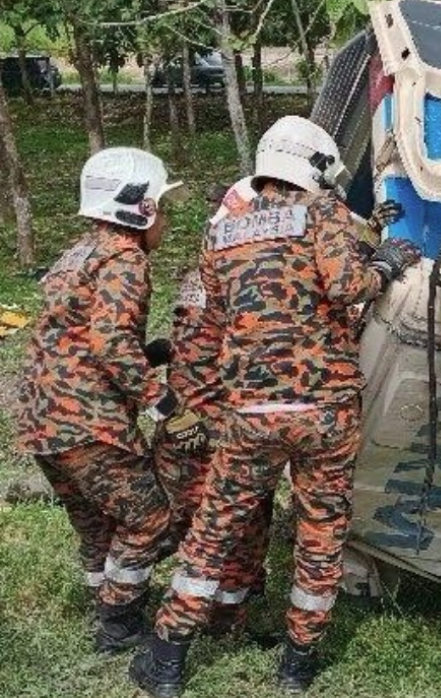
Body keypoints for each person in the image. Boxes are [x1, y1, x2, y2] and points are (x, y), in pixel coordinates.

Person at [130, 116, 419, 697]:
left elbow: (206, 334)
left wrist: (197, 408)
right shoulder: (324, 213)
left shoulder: (223, 234)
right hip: (326, 413)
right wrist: (387, 262)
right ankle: (298, 663)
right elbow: (346, 286)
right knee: (320, 530)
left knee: (214, 530)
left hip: (251, 416)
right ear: (314, 167)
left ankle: (165, 658)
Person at [15, 147, 205, 653]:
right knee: (149, 518)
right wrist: (164, 404)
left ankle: (105, 601)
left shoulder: (79, 251)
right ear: (137, 208)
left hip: (41, 418)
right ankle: (119, 621)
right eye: (162, 208)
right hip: (86, 422)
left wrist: (151, 352)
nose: (165, 220)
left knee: (96, 522)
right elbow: (109, 343)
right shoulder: (126, 257)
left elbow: (75, 338)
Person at [150, 177, 274, 636]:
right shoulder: (231, 275)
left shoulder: (207, 270)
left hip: (193, 424)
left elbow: (191, 349)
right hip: (209, 431)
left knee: (229, 523)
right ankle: (221, 620)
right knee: (231, 530)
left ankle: (232, 598)